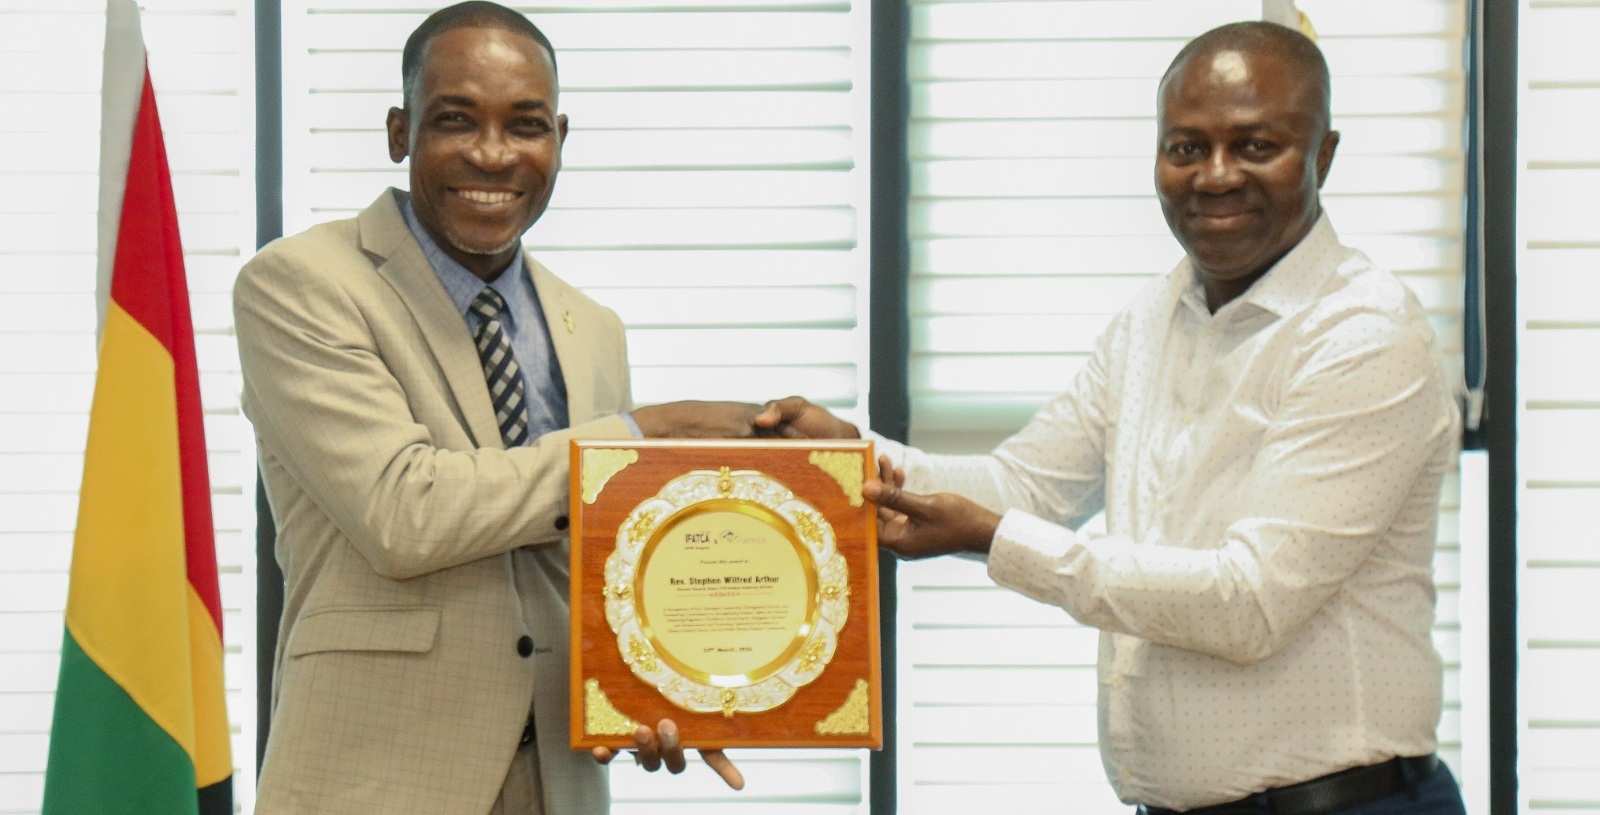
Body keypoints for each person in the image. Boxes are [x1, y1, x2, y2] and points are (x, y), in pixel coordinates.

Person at [773, 20, 1468, 815]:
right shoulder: (1151, 318)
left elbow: (1250, 603)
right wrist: (849, 460)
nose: (1215, 176)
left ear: (1324, 155)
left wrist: (995, 540)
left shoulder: (1364, 332)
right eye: (1186, 148)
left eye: (1255, 146)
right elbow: (1026, 485)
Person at [234, 3, 777, 812]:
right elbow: (402, 512)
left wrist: (679, 688)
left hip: (559, 778)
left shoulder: (592, 326)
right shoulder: (301, 283)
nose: (492, 154)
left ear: (559, 139)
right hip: (376, 781)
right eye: (456, 120)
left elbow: (604, 563)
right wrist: (638, 437)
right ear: (400, 132)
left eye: (525, 125)